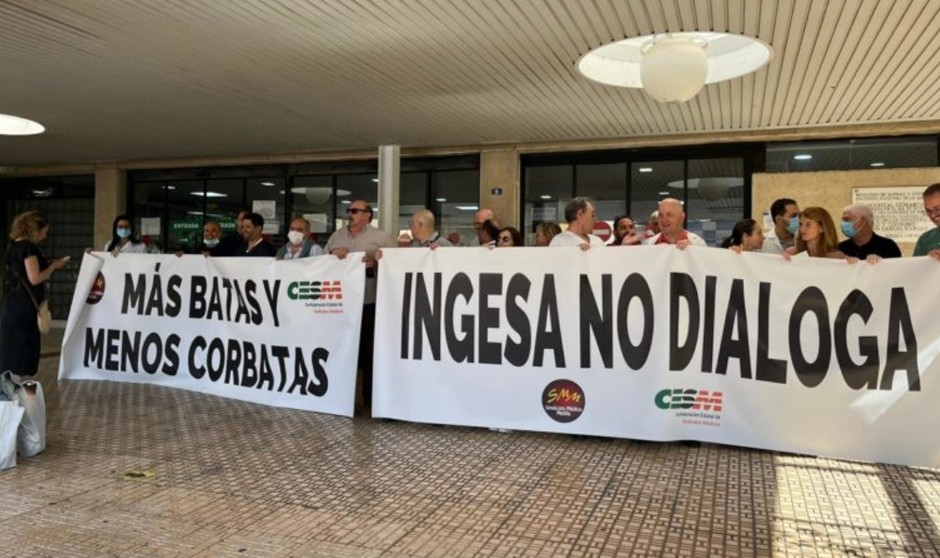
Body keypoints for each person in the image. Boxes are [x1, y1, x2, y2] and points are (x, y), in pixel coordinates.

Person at [325, 200, 394, 415]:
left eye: (355, 211)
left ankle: (370, 401)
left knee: (368, 354)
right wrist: (332, 255)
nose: (350, 214)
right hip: (341, 304)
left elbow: (395, 264)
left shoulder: (381, 237)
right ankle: (342, 398)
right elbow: (321, 263)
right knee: (343, 352)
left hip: (368, 302)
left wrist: (376, 262)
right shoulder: (337, 236)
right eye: (349, 210)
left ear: (367, 215)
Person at [1, 211, 69, 382]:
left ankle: (9, 385)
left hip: (11, 303)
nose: (44, 236)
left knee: (11, 347)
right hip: (24, 306)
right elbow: (35, 278)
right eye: (43, 232)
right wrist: (54, 266)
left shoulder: (12, 247)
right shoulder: (28, 248)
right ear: (34, 229)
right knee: (23, 349)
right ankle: (18, 388)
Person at [837, 204, 901, 261]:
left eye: (847, 220)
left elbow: (895, 269)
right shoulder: (839, 248)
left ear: (863, 221)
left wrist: (880, 263)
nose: (843, 224)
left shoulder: (888, 246)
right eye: (843, 220)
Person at [914, 183, 940, 261]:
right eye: (928, 211)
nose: (933, 215)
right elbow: (916, 266)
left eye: (937, 209)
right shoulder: (925, 239)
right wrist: (927, 260)